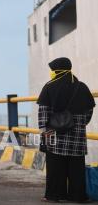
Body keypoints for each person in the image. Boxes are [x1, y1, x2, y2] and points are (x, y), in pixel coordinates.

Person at [37, 57, 95, 203]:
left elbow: (43, 111)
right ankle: (77, 196)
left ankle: (55, 195)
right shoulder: (81, 86)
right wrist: (80, 125)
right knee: (76, 168)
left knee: (55, 167)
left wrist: (44, 131)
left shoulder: (49, 86)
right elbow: (89, 110)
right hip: (77, 136)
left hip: (54, 134)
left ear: (57, 70)